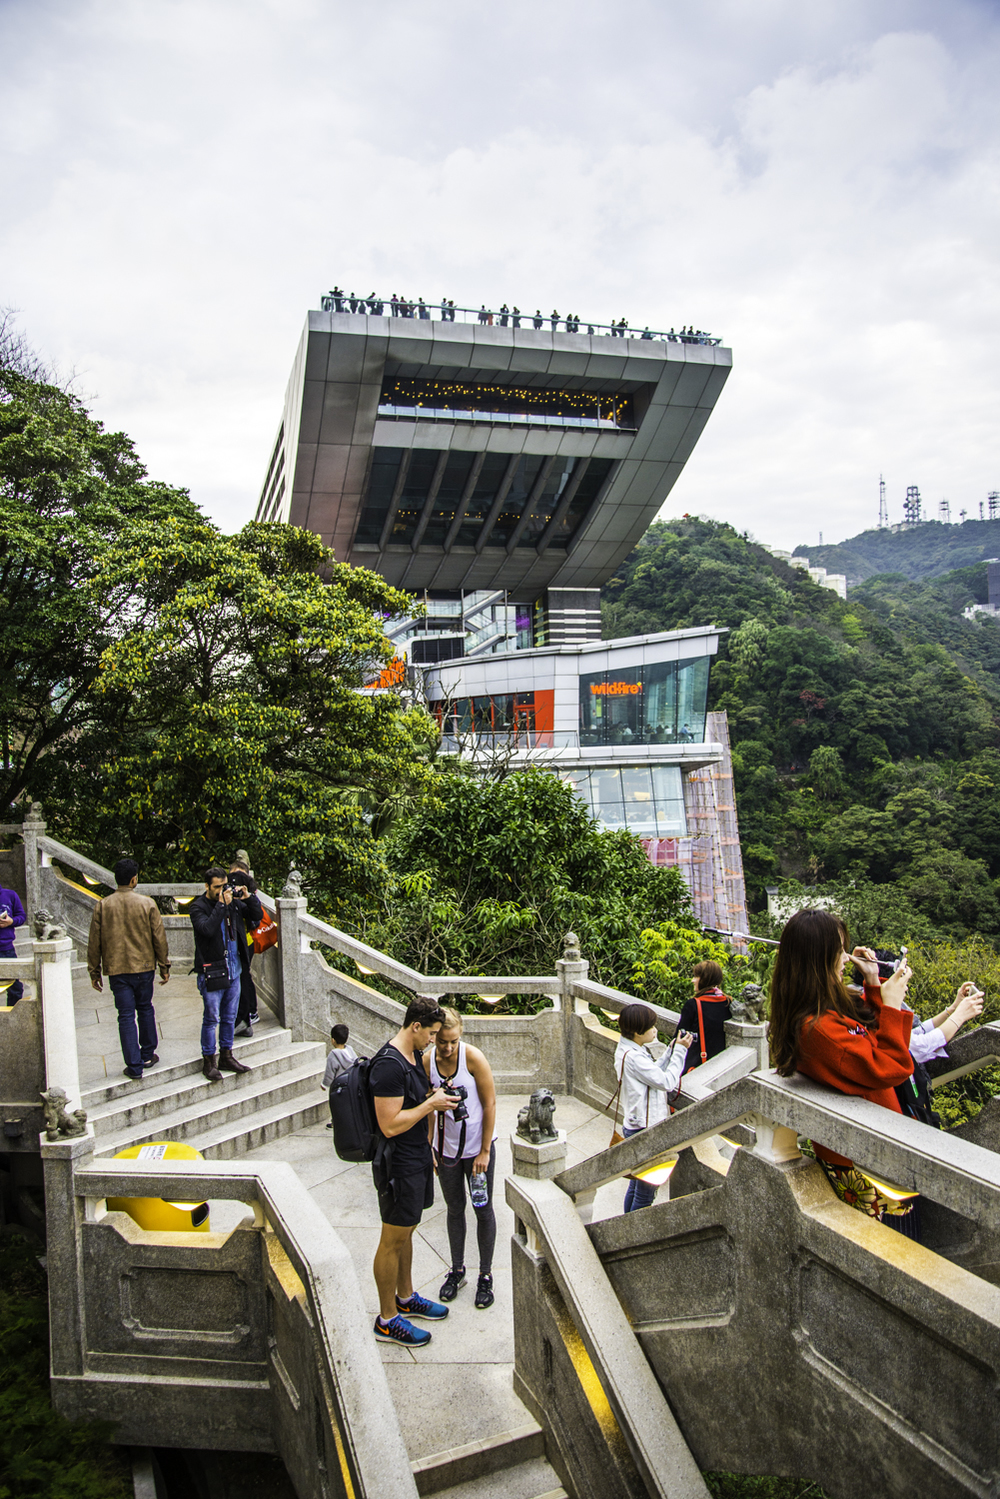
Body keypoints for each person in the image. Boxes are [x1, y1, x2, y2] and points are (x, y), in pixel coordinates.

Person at [769, 909, 916, 1223]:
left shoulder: (825, 1009)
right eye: (839, 952)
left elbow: (875, 1038)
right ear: (818, 960)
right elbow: (891, 1066)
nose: (847, 959)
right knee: (891, 1251)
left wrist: (874, 982)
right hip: (862, 1163)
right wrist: (892, 1005)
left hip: (870, 1148)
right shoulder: (819, 1028)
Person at [369, 998, 458, 1347]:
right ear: (415, 1026)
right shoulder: (389, 1065)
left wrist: (433, 1100)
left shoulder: (411, 1059)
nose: (434, 1042)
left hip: (417, 1156)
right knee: (392, 1239)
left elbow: (411, 1107)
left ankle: (405, 1297)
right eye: (432, 1034)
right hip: (398, 1164)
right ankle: (387, 1319)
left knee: (407, 1231)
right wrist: (430, 1104)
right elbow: (389, 1124)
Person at [423, 1008, 498, 1310]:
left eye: (453, 1041)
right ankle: (457, 1270)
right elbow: (427, 1106)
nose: (448, 1048)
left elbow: (490, 1103)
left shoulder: (474, 1058)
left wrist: (485, 1151)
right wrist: (430, 1145)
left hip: (477, 1151)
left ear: (461, 1035)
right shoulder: (428, 1061)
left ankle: (486, 1274)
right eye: (442, 1041)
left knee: (483, 1209)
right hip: (446, 1150)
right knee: (455, 1209)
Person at [87, 858, 170, 1080]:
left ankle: (134, 1066)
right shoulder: (147, 903)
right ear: (134, 879)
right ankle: (148, 1053)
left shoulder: (103, 905)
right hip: (143, 968)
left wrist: (94, 972)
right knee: (145, 1008)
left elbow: (94, 943)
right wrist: (164, 965)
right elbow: (158, 938)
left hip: (117, 970)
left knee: (125, 1015)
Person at [614, 1002, 693, 1212]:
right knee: (646, 1191)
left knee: (636, 1183)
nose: (655, 1030)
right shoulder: (635, 1057)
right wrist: (681, 1052)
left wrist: (670, 1051)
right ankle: (634, 1235)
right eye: (651, 1027)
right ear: (637, 1032)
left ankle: (625, 1226)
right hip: (645, 1129)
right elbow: (666, 1082)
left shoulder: (629, 1050)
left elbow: (652, 1074)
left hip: (635, 1124)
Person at [189, 866, 261, 1082]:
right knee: (211, 1018)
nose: (222, 890)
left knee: (230, 1017)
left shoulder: (233, 903)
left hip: (234, 969)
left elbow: (256, 916)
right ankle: (209, 1060)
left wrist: (249, 898)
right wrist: (221, 905)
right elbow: (207, 930)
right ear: (207, 886)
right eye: (217, 887)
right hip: (211, 970)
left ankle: (227, 1055)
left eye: (224, 886)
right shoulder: (198, 907)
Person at [676, 961, 731, 1074]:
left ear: (705, 979)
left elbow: (678, 1037)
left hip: (698, 1066)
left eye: (696, 976)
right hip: (722, 1067)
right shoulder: (729, 1002)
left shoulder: (693, 1005)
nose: (693, 980)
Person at [229, 858, 261, 1038]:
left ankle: (249, 1013)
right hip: (230, 942)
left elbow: (256, 915)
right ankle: (240, 1017)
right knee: (238, 978)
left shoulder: (247, 896)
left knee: (243, 976)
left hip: (245, 940)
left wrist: (248, 898)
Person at [322, 1022, 357, 1127]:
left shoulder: (333, 1055)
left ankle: (336, 1122)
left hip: (339, 1086)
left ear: (333, 1040)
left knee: (337, 1105)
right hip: (351, 1083)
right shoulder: (350, 1050)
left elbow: (330, 1073)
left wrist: (324, 1085)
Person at [0, 882, 26, 1006]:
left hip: (7, 949)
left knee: (15, 988)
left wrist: (11, 921)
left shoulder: (10, 895)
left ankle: (11, 1018)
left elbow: (21, 916)